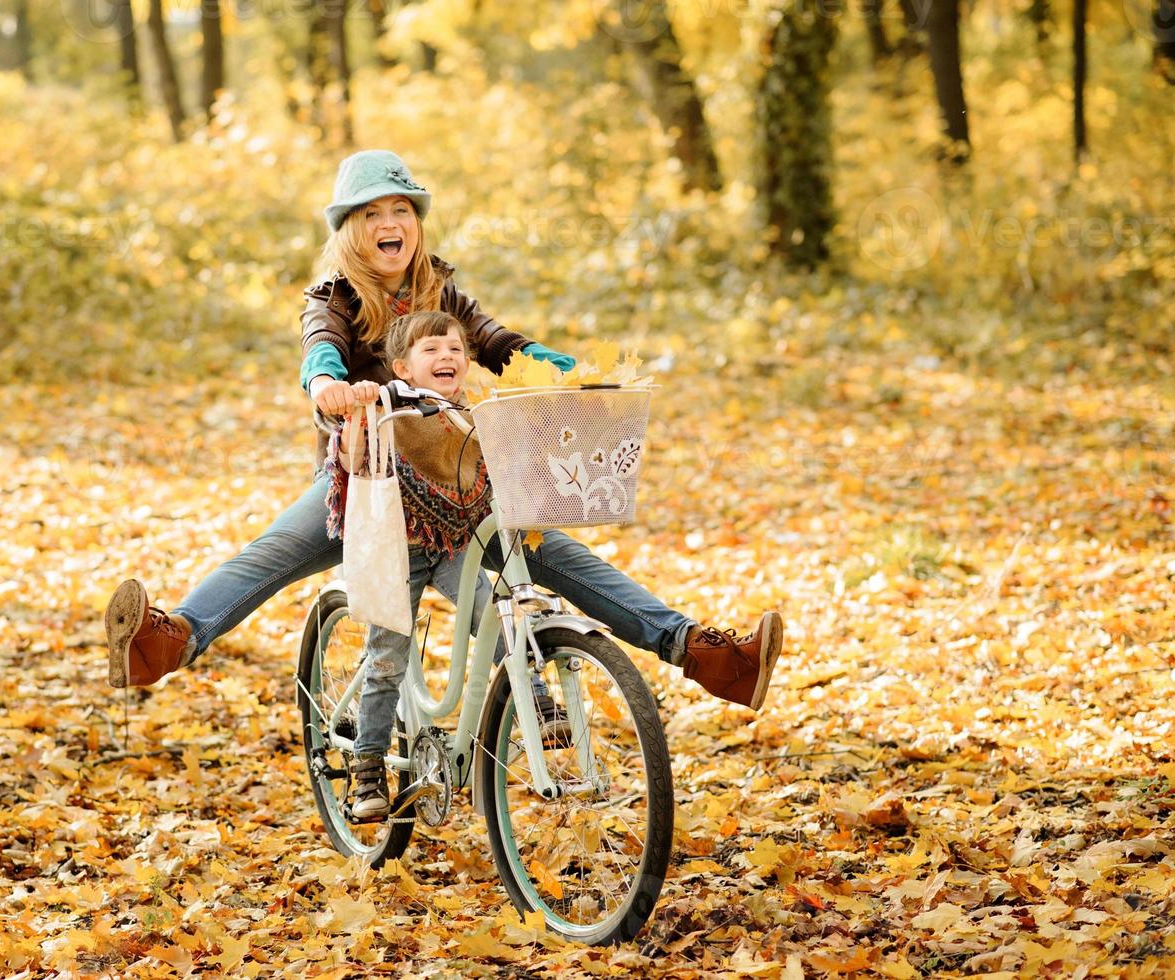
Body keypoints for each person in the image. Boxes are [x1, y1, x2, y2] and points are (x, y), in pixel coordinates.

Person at [104, 149, 783, 716]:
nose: (389, 222)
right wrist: (326, 387)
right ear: (349, 230)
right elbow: (321, 350)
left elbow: (498, 342)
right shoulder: (333, 297)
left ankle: (703, 655)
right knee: (274, 552)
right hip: (368, 477)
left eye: (400, 210)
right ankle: (170, 642)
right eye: (371, 213)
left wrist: (567, 371)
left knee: (562, 558)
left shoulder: (443, 291)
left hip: (458, 474)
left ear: (417, 223)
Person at [325, 311, 567, 822]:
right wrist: (358, 412)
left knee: (495, 613)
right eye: (431, 350)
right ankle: (368, 767)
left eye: (456, 349)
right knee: (387, 657)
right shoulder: (390, 406)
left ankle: (540, 705)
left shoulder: (473, 413)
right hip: (398, 552)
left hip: (455, 544)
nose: (446, 358)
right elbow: (349, 458)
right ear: (402, 368)